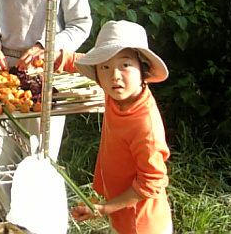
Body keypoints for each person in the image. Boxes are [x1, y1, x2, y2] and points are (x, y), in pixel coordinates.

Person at [59, 20, 172, 234]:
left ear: (143, 70)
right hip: (121, 213)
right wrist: (57, 58)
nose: (115, 75)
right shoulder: (118, 96)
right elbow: (82, 60)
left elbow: (152, 182)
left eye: (125, 65)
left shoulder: (144, 125)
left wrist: (104, 208)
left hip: (142, 224)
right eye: (105, 67)